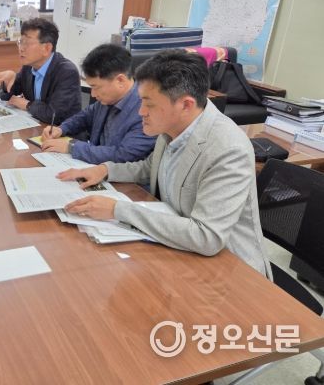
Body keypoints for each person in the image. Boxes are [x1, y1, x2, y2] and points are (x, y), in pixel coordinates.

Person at [59, 49, 271, 277]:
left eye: (148, 104)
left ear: (185, 105)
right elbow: (151, 167)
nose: (141, 112)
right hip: (178, 246)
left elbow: (207, 237)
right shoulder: (174, 125)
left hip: (229, 270)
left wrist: (117, 210)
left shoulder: (228, 149)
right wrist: (105, 170)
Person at [40, 43, 155, 165]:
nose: (93, 94)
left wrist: (72, 147)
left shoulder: (145, 111)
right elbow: (85, 116)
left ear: (120, 80)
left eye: (96, 87)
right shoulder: (108, 99)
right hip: (92, 166)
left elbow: (123, 155)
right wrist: (61, 128)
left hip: (116, 174)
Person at [0, 18, 81, 124]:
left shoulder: (67, 73)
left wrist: (27, 105)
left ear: (46, 48)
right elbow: (7, 97)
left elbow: (54, 115)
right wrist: (7, 83)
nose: (21, 48)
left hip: (62, 132)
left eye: (27, 43)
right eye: (20, 42)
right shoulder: (29, 67)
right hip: (36, 127)